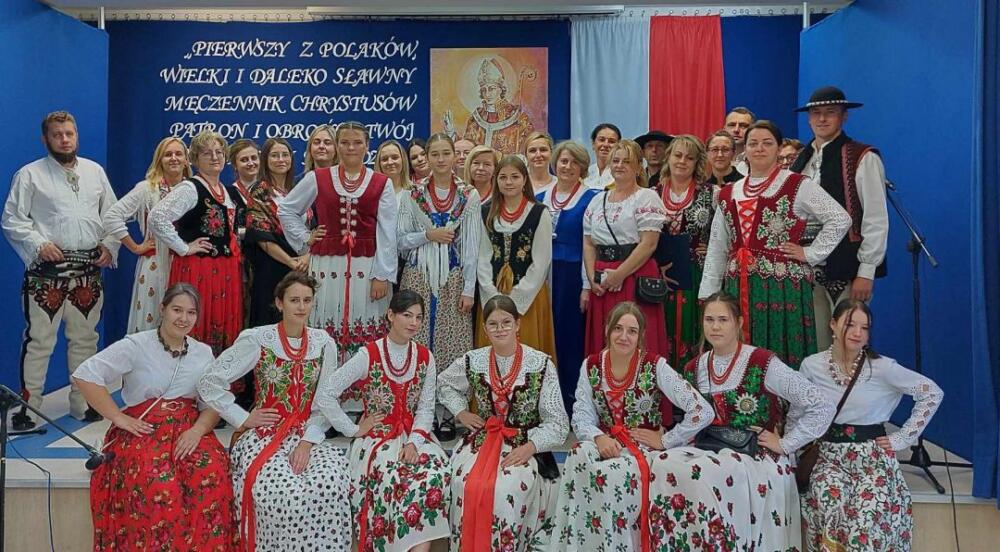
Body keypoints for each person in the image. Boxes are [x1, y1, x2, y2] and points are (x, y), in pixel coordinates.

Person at [652, 292, 833, 551]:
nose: (715, 327)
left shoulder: (762, 362)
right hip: (707, 448)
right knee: (661, 463)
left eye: (723, 320)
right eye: (709, 320)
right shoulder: (694, 367)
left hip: (755, 453)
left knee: (704, 472)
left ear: (738, 322)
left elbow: (821, 404)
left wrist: (786, 443)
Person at [74, 284, 239, 551]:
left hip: (189, 430)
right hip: (145, 430)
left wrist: (197, 431)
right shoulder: (136, 345)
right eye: (177, 310)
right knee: (155, 484)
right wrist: (118, 418)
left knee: (213, 472)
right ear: (162, 309)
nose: (183, 318)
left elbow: (212, 403)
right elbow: (86, 374)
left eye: (191, 312)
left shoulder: (203, 352)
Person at [197, 272, 351, 551]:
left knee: (330, 483)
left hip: (307, 435)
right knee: (280, 492)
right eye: (294, 300)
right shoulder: (259, 339)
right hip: (263, 436)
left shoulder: (323, 343)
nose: (301, 307)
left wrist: (307, 442)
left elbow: (325, 402)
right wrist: (243, 417)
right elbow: (209, 382)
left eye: (307, 300)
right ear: (279, 303)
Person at [551, 302, 712, 552]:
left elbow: (702, 411)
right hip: (606, 443)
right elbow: (581, 415)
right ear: (607, 329)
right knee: (578, 453)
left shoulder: (654, 365)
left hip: (641, 451)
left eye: (632, 331)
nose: (623, 336)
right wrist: (598, 438)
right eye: (618, 328)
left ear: (641, 335)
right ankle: (578, 543)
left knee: (609, 473)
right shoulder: (591, 365)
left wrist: (666, 440)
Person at [699, 120, 851, 367]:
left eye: (767, 143)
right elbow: (718, 245)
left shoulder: (797, 185)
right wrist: (709, 293)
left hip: (783, 287)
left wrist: (811, 253)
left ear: (779, 148)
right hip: (739, 286)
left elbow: (840, 218)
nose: (759, 148)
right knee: (740, 354)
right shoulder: (728, 193)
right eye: (753, 143)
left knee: (781, 352)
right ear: (745, 149)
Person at [2, 111, 118, 428]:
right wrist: (39, 244)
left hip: (88, 271)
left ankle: (83, 403)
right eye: (57, 134)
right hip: (47, 272)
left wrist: (109, 245)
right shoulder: (30, 174)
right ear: (45, 139)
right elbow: (12, 219)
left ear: (76, 135)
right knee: (39, 342)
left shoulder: (94, 171)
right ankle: (28, 409)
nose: (64, 140)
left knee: (86, 340)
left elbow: (111, 215)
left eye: (69, 133)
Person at [800, 299, 943, 552]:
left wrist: (902, 438)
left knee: (865, 521)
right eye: (850, 324)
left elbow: (932, 393)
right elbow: (801, 411)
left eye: (864, 328)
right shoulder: (812, 366)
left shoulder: (882, 367)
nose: (857, 332)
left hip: (872, 458)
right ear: (832, 324)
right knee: (830, 503)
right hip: (829, 456)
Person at [316, 290, 452, 552]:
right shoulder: (368, 354)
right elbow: (326, 393)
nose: (413, 322)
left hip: (415, 437)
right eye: (407, 315)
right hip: (377, 440)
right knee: (393, 478)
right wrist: (353, 429)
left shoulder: (426, 357)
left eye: (419, 317)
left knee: (436, 474)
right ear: (390, 315)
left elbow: (425, 409)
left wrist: (413, 443)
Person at [438, 294, 569, 552]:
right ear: (485, 329)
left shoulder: (540, 364)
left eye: (506, 322)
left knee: (507, 487)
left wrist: (530, 447)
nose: (500, 329)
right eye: (493, 324)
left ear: (518, 324)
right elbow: (444, 384)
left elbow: (558, 423)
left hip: (524, 445)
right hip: (481, 441)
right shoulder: (474, 360)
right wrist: (461, 413)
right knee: (464, 481)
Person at [278, 121, 398, 361]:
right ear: (337, 145)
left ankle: (362, 378)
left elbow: (387, 232)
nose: (351, 148)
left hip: (368, 266)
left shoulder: (381, 183)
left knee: (365, 317)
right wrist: (306, 237)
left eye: (357, 143)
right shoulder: (318, 178)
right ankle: (323, 373)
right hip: (327, 264)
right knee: (327, 313)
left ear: (367, 146)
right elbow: (287, 209)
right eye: (345, 142)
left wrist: (383, 275)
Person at [790, 86, 890, 352]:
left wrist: (866, 271)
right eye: (816, 113)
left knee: (848, 342)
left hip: (847, 265)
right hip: (808, 268)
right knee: (817, 345)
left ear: (844, 116)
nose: (822, 119)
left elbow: (876, 218)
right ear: (809, 119)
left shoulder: (862, 157)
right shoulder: (800, 161)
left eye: (830, 112)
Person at [148, 130, 243, 356]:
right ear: (195, 159)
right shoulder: (190, 188)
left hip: (225, 270)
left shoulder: (224, 190)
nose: (215, 157)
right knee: (196, 320)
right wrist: (183, 247)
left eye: (219, 152)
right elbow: (157, 217)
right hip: (199, 269)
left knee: (220, 324)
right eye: (207, 153)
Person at [398, 133, 482, 371]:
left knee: (451, 337)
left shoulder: (469, 195)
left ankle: (448, 390)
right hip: (418, 274)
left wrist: (468, 289)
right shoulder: (412, 194)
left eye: (446, 153)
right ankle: (412, 383)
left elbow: (471, 247)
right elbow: (400, 240)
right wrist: (428, 235)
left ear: (455, 156)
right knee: (414, 331)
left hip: (453, 277)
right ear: (427, 157)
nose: (441, 159)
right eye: (435, 154)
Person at [582, 139, 668, 359]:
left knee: (633, 335)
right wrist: (592, 278)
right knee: (606, 336)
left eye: (626, 161)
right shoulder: (597, 200)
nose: (619, 165)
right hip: (603, 279)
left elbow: (649, 243)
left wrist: (619, 274)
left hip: (633, 275)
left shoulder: (646, 197)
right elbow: (589, 243)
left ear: (638, 167)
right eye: (616, 160)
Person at [535, 140, 599, 414]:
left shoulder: (592, 197)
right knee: (543, 334)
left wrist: (587, 285)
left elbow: (591, 245)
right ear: (555, 163)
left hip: (572, 277)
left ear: (583, 167)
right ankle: (543, 400)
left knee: (570, 338)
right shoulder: (539, 197)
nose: (568, 167)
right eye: (564, 161)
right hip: (542, 275)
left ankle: (571, 401)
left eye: (575, 162)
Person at [103, 137, 191, 333]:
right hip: (155, 264)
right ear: (159, 160)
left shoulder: (193, 189)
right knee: (152, 320)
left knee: (183, 320)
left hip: (187, 263)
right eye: (168, 155)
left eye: (178, 154)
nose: (174, 158)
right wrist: (135, 247)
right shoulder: (147, 189)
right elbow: (112, 216)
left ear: (187, 160)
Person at [476, 155, 557, 361]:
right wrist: (491, 294)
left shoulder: (539, 212)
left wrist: (516, 300)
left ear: (524, 179)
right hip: (493, 292)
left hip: (528, 297)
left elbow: (541, 261)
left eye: (515, 176)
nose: (509, 182)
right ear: (496, 180)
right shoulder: (485, 212)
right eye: (503, 177)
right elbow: (482, 256)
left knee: (527, 351)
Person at [656, 135, 715, 369]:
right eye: (678, 155)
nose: (682, 161)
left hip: (695, 274)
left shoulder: (712, 193)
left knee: (692, 329)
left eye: (689, 158)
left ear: (697, 162)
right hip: (659, 274)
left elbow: (727, 233)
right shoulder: (651, 193)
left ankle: (692, 379)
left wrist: (712, 247)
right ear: (668, 157)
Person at [244, 137, 308, 328]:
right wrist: (290, 262)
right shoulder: (259, 191)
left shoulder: (299, 189)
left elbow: (315, 229)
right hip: (272, 269)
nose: (281, 159)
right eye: (274, 155)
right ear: (265, 160)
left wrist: (307, 258)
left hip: (303, 268)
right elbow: (260, 236)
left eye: (285, 155)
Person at [448, 56, 535, 154]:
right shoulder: (476, 119)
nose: (487, 94)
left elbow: (530, 147)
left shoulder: (518, 117)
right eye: (484, 90)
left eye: (491, 89)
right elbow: (466, 149)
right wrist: (451, 133)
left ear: (501, 89)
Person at [583, 123, 620, 189]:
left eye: (611, 141)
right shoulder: (585, 173)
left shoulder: (622, 172)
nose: (606, 145)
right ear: (593, 143)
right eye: (601, 140)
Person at [228, 138, 259, 207]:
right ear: (235, 165)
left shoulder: (270, 190)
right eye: (244, 160)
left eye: (254, 158)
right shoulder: (228, 194)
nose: (251, 163)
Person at [724, 106, 755, 174]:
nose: (736, 130)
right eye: (732, 125)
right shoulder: (711, 160)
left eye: (743, 126)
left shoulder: (760, 160)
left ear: (753, 130)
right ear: (724, 129)